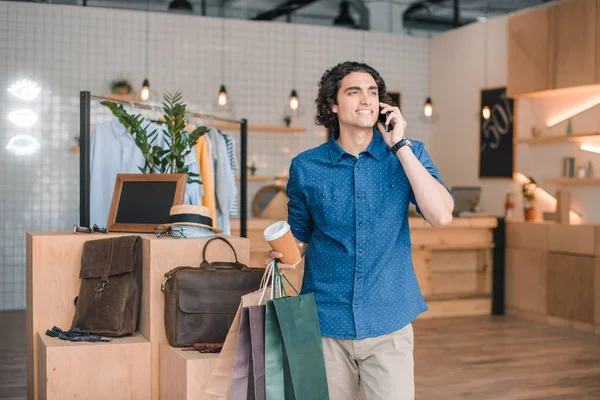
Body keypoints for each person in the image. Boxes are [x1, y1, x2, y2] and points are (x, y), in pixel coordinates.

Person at [265, 61, 454, 400]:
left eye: (373, 93)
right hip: (325, 323)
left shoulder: (408, 154)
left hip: (390, 321)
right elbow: (300, 237)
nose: (366, 99)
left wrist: (400, 144)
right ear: (332, 105)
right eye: (354, 92)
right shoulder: (306, 167)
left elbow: (441, 216)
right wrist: (284, 253)